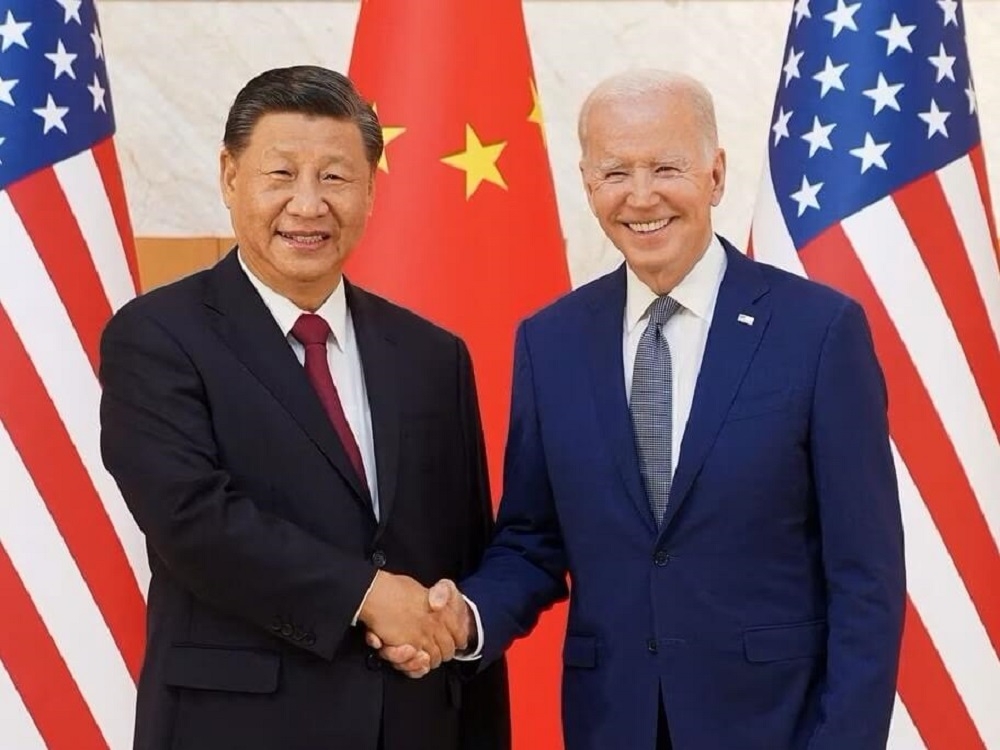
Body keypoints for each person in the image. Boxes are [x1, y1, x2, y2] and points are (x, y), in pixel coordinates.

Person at [375, 70, 906, 750]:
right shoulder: (551, 339)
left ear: (715, 174)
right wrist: (465, 619)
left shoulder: (819, 331)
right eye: (615, 171)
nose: (642, 195)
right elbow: (533, 540)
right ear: (588, 184)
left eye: (666, 167)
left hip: (774, 725)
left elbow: (868, 577)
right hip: (612, 723)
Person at [99, 65, 509, 750]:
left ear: (373, 189)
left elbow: (462, 554)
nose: (309, 204)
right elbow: (192, 520)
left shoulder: (433, 355)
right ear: (231, 177)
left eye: (336, 177)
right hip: (237, 727)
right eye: (281, 174)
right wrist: (368, 595)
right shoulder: (157, 335)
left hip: (414, 724)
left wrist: (446, 632)